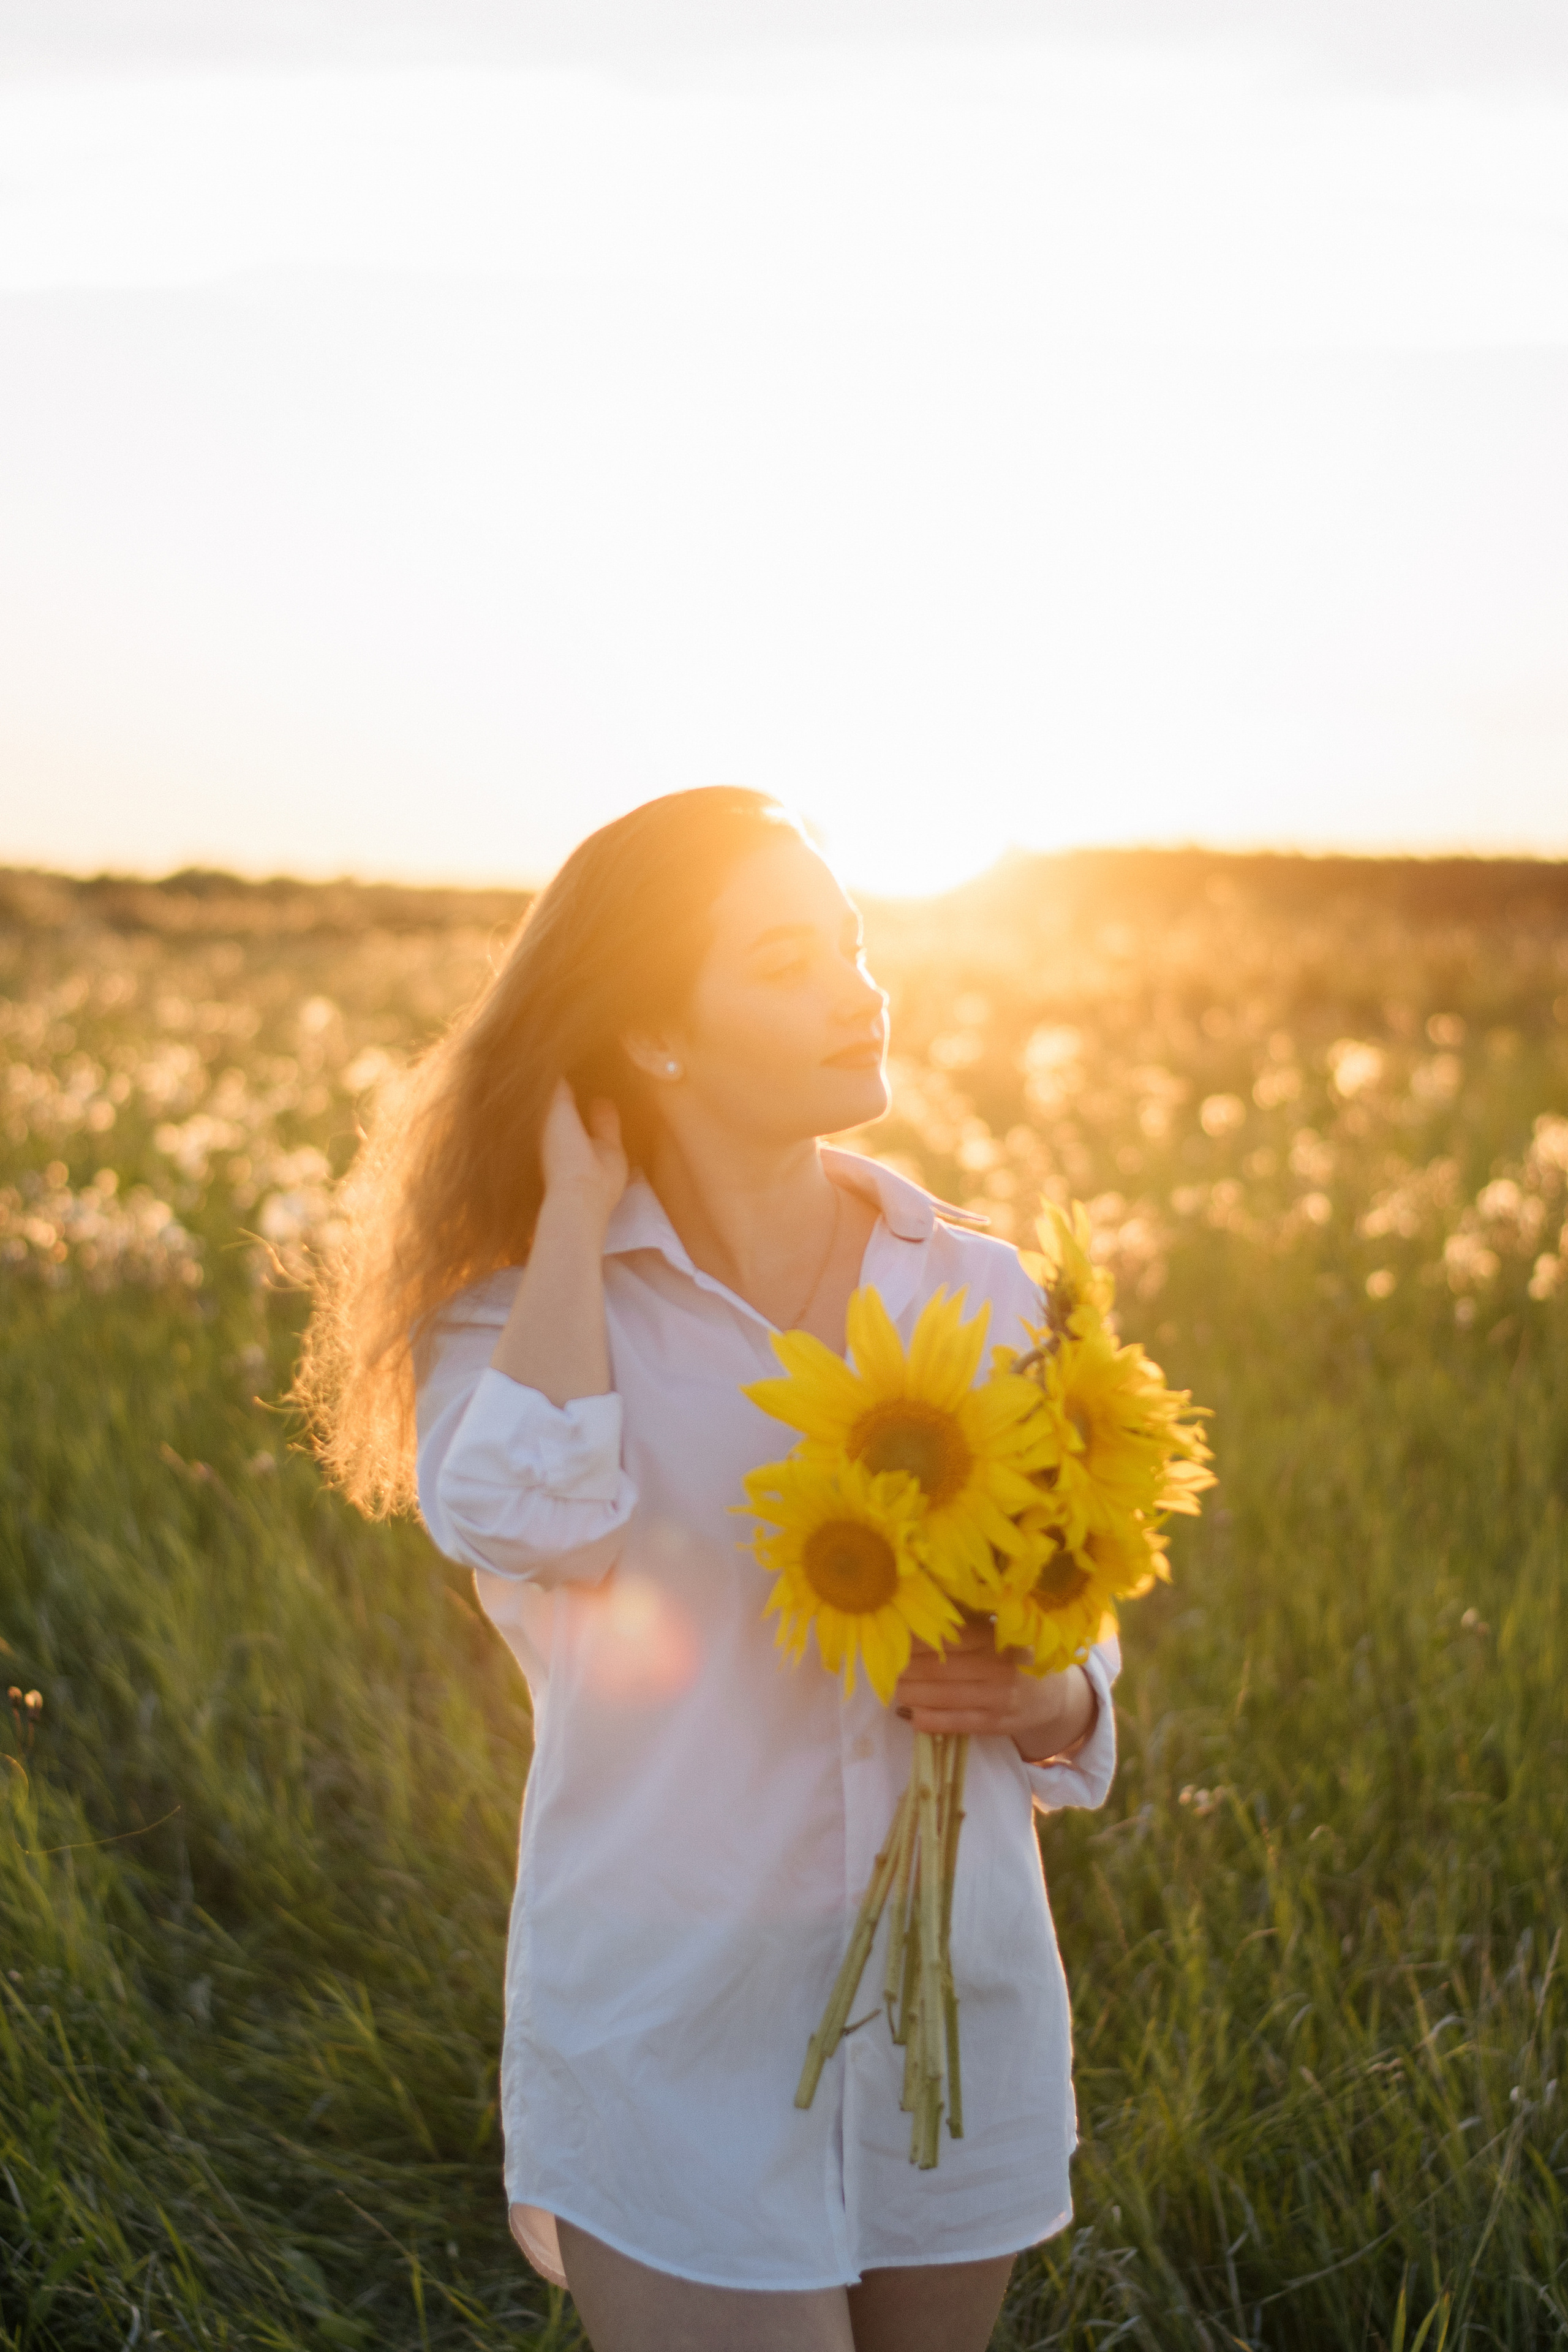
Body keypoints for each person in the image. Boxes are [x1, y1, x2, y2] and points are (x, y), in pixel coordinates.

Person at [300, 787, 1119, 2352]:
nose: (856, 988)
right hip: (672, 2031)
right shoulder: (521, 1318)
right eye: (784, 961)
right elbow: (529, 1525)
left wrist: (1048, 1694)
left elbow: (1075, 1609)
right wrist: (569, 1224)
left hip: (953, 2017)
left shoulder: (982, 1285)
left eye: (853, 942)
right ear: (656, 1036)